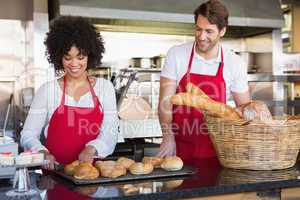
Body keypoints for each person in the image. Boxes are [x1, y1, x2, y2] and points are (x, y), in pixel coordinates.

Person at [157, 0, 250, 163]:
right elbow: (165, 102)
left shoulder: (234, 62)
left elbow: (245, 111)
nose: (202, 36)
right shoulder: (177, 54)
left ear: (222, 31)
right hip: (179, 149)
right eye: (198, 29)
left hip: (219, 150)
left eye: (209, 31)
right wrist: (167, 136)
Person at [20, 16, 119, 170]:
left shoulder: (105, 88)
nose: (74, 64)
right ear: (59, 57)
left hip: (92, 176)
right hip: (55, 175)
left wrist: (92, 148)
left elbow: (110, 131)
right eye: (68, 57)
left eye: (80, 57)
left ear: (90, 56)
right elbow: (27, 134)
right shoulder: (47, 90)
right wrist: (42, 152)